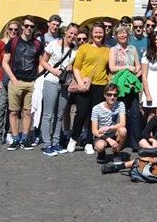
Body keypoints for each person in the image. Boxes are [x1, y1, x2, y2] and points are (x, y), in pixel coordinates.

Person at [2, 16, 44, 150]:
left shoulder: (37, 44)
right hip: (16, 81)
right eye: (26, 26)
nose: (29, 28)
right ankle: (15, 139)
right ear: (22, 26)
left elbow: (41, 63)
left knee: (28, 112)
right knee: (13, 112)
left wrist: (37, 77)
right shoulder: (13, 42)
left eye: (31, 26)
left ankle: (25, 139)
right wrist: (12, 78)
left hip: (31, 83)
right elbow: (5, 62)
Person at [68, 23, 111, 154]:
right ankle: (73, 138)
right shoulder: (84, 48)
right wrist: (80, 82)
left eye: (100, 32)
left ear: (104, 34)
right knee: (81, 113)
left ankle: (89, 141)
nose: (98, 35)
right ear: (92, 34)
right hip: (85, 85)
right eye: (96, 32)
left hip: (100, 85)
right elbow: (76, 67)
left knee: (94, 116)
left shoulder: (107, 50)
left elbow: (108, 69)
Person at [40, 23, 77, 156]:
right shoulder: (53, 44)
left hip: (65, 83)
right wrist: (53, 70)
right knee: (48, 114)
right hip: (51, 80)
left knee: (60, 115)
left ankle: (56, 142)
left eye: (75, 34)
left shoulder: (75, 49)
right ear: (65, 32)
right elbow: (43, 61)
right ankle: (46, 144)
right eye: (70, 33)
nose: (72, 36)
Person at [108, 24, 142, 151]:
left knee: (135, 114)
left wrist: (135, 76)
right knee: (120, 113)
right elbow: (112, 68)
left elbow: (138, 66)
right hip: (118, 86)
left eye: (125, 33)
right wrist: (127, 67)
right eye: (120, 33)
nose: (123, 35)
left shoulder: (133, 49)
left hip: (131, 85)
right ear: (116, 36)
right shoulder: (113, 50)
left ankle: (135, 142)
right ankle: (120, 141)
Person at [90, 83, 127, 163]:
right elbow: (94, 131)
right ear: (105, 95)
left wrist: (109, 128)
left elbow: (123, 123)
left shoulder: (120, 104)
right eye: (109, 95)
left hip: (114, 133)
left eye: (115, 95)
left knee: (123, 130)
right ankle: (101, 153)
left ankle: (116, 152)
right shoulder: (96, 108)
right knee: (100, 146)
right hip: (102, 135)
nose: (112, 97)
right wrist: (108, 139)